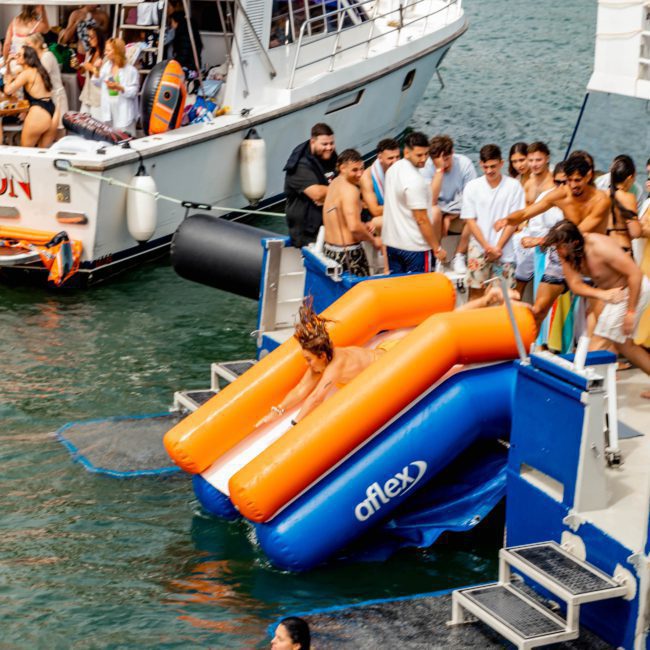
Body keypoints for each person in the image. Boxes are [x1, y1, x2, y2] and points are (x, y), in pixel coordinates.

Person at [495, 151, 610, 328]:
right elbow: (527, 212)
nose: (572, 186)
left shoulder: (601, 200)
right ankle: (526, 350)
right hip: (564, 255)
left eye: (577, 180)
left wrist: (542, 240)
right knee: (539, 310)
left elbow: (578, 232)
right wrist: (507, 220)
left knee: (597, 315)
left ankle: (596, 353)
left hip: (591, 256)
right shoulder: (561, 194)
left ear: (589, 176)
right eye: (569, 180)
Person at [541, 220, 650, 398]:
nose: (557, 252)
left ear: (574, 243)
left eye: (560, 247)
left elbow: (635, 274)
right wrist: (602, 295)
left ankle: (577, 394)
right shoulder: (566, 253)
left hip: (632, 290)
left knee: (597, 343)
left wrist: (631, 312)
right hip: (613, 295)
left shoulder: (600, 247)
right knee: (626, 346)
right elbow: (575, 285)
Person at [461, 144, 524, 299]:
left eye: (493, 166)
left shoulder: (514, 186)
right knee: (475, 293)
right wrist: (486, 247)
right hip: (478, 248)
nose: (489, 171)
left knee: (503, 298)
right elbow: (470, 220)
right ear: (481, 165)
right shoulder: (472, 187)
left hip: (504, 251)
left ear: (501, 163)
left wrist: (498, 247)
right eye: (485, 167)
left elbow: (514, 221)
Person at [382, 131, 446, 274]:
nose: (424, 159)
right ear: (406, 152)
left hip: (392, 245)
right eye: (419, 155)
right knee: (422, 294)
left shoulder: (392, 171)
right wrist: (437, 248)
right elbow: (421, 219)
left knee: (398, 292)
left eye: (426, 154)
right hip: (415, 249)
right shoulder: (415, 181)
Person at [420, 134, 477, 274]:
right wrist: (439, 171)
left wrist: (449, 217)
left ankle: (459, 255)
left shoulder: (465, 164)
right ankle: (437, 257)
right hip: (437, 214)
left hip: (457, 215)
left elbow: (471, 199)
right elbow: (431, 201)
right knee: (434, 211)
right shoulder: (427, 167)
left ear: (452, 153)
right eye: (439, 161)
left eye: (446, 159)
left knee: (474, 213)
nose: (444, 163)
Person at [322, 149, 381, 277]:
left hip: (329, 250)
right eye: (355, 170)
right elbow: (354, 227)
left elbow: (342, 220)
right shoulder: (351, 190)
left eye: (362, 168)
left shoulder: (334, 184)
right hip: (348, 254)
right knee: (360, 289)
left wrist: (363, 227)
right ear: (342, 168)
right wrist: (374, 240)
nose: (360, 174)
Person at [512, 159, 564, 296]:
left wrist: (541, 240)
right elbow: (533, 222)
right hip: (543, 250)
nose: (562, 186)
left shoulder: (578, 201)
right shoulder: (546, 197)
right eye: (558, 182)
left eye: (565, 182)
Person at [284, 123, 338, 247]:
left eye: (332, 143)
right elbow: (318, 194)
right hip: (307, 233)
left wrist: (330, 196)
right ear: (313, 142)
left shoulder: (329, 155)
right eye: (324, 144)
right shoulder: (299, 165)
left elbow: (346, 178)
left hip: (329, 225)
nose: (329, 147)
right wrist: (342, 193)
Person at [3, 45, 60, 147]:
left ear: (26, 59)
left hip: (39, 112)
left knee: (26, 152)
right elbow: (11, 75)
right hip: (53, 111)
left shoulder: (26, 74)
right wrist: (8, 63)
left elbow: (8, 90)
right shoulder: (39, 70)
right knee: (42, 154)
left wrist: (8, 81)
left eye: (19, 55)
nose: (16, 56)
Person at [25, 33, 68, 134]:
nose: (27, 47)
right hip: (50, 97)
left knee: (59, 128)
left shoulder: (47, 56)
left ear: (37, 43)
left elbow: (40, 78)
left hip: (57, 97)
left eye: (29, 44)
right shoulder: (38, 58)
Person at [96, 38, 139, 135]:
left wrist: (119, 87)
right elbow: (97, 83)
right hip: (110, 112)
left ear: (117, 51)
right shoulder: (106, 66)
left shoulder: (131, 71)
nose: (105, 53)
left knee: (125, 141)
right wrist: (96, 69)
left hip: (124, 113)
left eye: (108, 50)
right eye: (105, 50)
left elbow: (133, 92)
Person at [604, 155, 641, 254]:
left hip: (602, 248)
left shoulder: (602, 195)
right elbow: (635, 232)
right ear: (629, 178)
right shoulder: (628, 198)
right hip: (621, 250)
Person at [359, 137, 401, 221]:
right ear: (380, 157)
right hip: (376, 219)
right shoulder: (367, 178)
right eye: (390, 158)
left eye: (397, 157)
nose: (395, 162)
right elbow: (375, 211)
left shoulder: (402, 168)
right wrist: (403, 205)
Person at [3, 5, 49, 72]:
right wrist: (43, 10)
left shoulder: (14, 21)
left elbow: (7, 44)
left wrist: (6, 62)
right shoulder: (36, 25)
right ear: (35, 8)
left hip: (13, 63)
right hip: (27, 66)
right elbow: (47, 29)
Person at [78, 25, 105, 120]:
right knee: (82, 123)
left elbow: (105, 77)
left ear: (99, 37)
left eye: (92, 37)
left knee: (96, 125)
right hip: (87, 95)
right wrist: (78, 66)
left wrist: (91, 68)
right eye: (88, 37)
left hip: (98, 97)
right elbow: (84, 73)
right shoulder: (90, 52)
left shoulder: (105, 55)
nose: (89, 39)